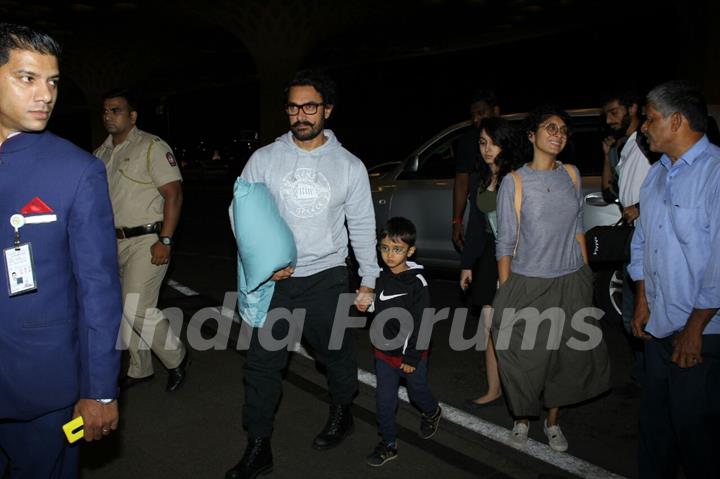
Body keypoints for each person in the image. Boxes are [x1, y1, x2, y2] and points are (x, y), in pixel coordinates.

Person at [226, 70, 380, 479]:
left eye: (310, 106)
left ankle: (343, 411)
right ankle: (259, 447)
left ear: (327, 109)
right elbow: (241, 214)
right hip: (276, 284)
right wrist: (263, 264)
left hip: (326, 276)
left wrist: (369, 280)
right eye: (293, 107)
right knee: (261, 366)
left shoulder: (349, 166)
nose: (301, 115)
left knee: (335, 356)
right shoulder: (264, 159)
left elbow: (362, 225)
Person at [0, 23, 122, 477]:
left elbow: (99, 289)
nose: (45, 95)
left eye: (51, 81)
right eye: (26, 78)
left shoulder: (76, 170)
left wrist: (101, 389)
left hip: (41, 387)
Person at [491, 105, 610, 452]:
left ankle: (553, 422)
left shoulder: (570, 175)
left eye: (563, 130)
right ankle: (521, 419)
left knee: (566, 358)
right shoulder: (514, 182)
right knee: (525, 356)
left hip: (571, 279)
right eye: (550, 128)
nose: (559, 135)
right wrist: (507, 287)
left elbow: (577, 229)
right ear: (532, 135)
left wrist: (585, 274)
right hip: (529, 281)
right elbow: (505, 242)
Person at [629, 80, 720, 479]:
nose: (643, 128)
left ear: (677, 120)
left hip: (702, 332)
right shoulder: (657, 175)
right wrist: (642, 302)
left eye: (650, 119)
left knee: (697, 435)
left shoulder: (715, 174)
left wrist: (696, 328)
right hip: (660, 326)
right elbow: (642, 242)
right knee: (655, 430)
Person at [94, 87, 189, 392]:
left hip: (147, 239)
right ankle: (140, 366)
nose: (110, 116)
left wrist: (166, 239)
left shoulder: (152, 146)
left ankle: (177, 359)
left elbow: (173, 194)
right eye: (106, 111)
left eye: (116, 110)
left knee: (136, 307)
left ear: (132, 116)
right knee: (122, 307)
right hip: (112, 242)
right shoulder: (101, 153)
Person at [365, 217, 441, 467]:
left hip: (411, 354)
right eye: (385, 248)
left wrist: (411, 357)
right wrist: (367, 304)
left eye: (397, 249)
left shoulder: (417, 282)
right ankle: (389, 443)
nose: (389, 254)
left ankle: (431, 411)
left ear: (410, 251)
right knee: (384, 400)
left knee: (417, 393)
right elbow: (382, 307)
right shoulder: (380, 276)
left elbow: (424, 322)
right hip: (384, 352)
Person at [460, 117, 521, 408]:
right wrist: (467, 264)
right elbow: (476, 228)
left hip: (516, 257)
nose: (488, 149)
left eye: (494, 143)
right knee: (489, 327)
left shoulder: (518, 177)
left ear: (505, 144)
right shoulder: (480, 178)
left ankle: (521, 390)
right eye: (483, 142)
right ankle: (493, 387)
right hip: (488, 257)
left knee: (515, 327)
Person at [600, 91, 652, 383]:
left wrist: (641, 207)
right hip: (633, 239)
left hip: (648, 237)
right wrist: (607, 154)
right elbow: (610, 191)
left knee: (642, 310)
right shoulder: (628, 146)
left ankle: (651, 374)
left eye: (614, 112)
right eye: (606, 115)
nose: (609, 121)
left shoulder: (647, 144)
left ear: (633, 108)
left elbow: (668, 185)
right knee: (631, 313)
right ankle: (645, 372)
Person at [452, 90, 500, 249]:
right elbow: (461, 183)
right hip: (480, 219)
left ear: (496, 111)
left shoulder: (512, 137)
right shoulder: (467, 142)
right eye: (473, 115)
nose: (475, 119)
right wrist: (457, 221)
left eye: (481, 113)